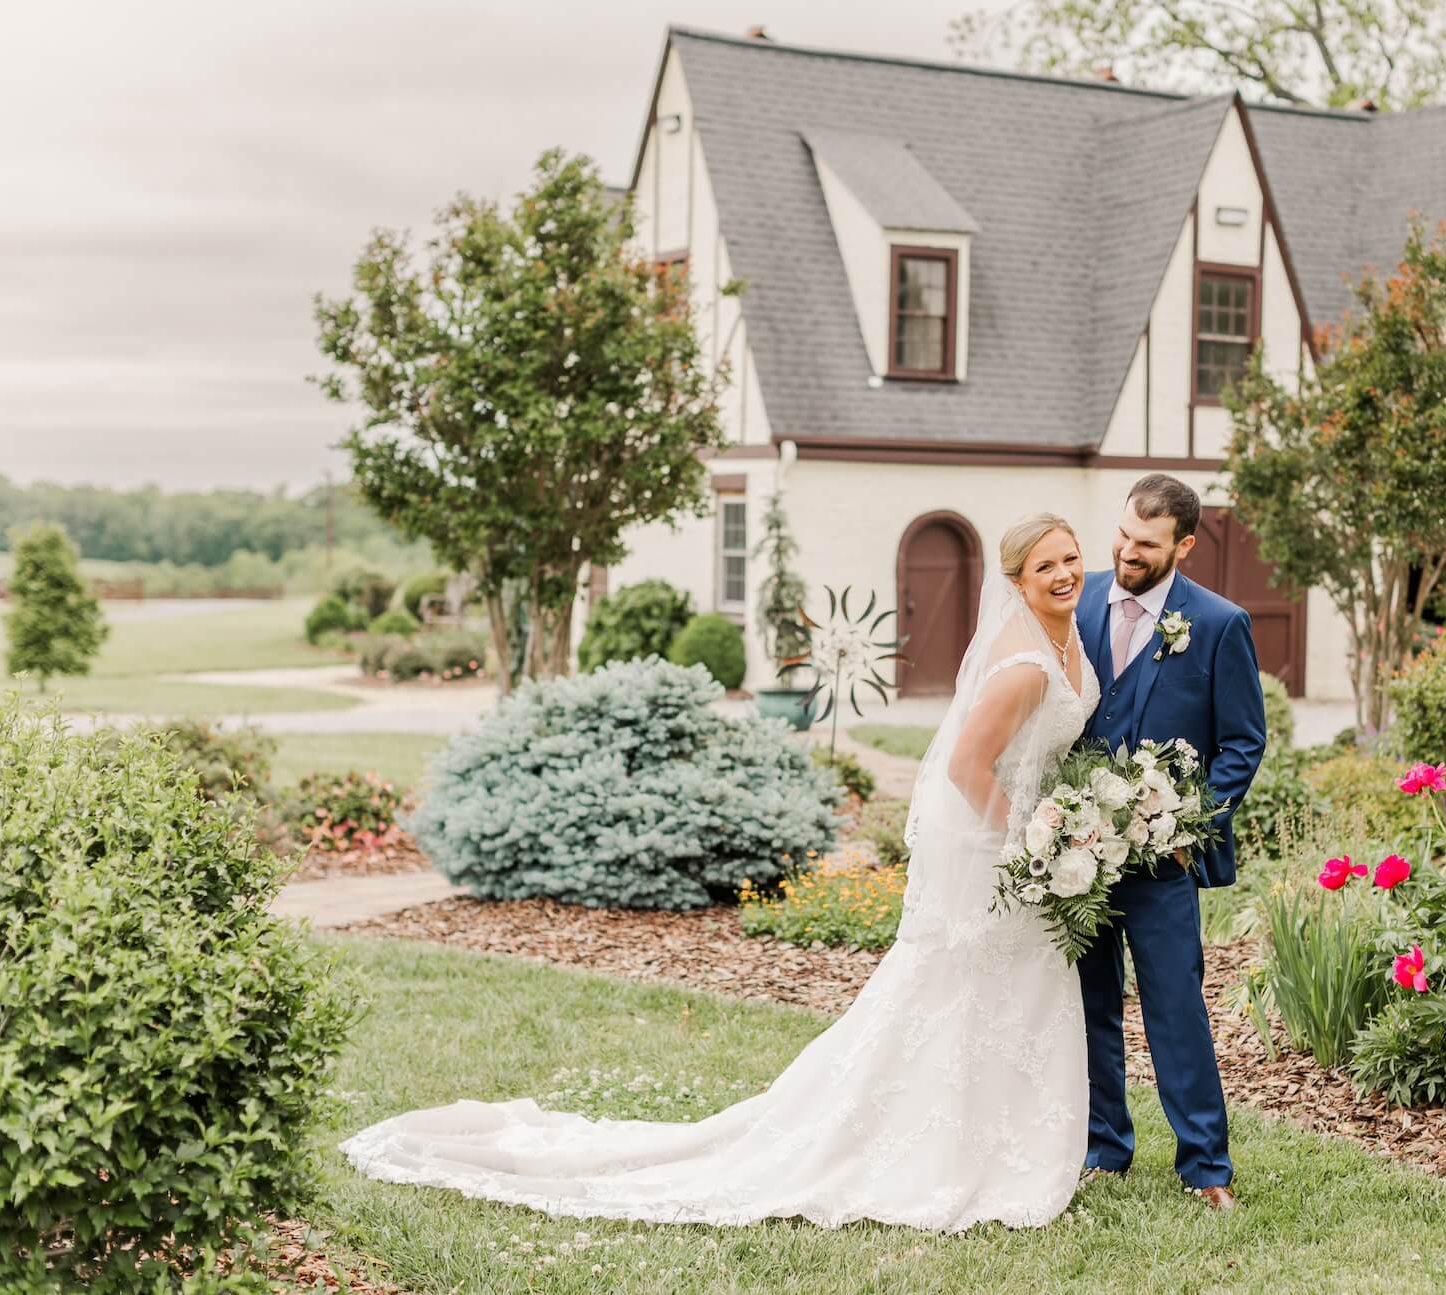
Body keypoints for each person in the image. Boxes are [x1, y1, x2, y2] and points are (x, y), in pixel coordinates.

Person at [339, 513, 1099, 1232]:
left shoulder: (1066, 640)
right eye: (1045, 565)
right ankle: (943, 1145)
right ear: (1018, 581)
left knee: (1001, 988)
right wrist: (1030, 845)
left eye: (1070, 557)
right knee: (958, 989)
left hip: (1027, 837)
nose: (1064, 572)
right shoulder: (1024, 666)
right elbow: (967, 765)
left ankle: (999, 1135)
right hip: (993, 843)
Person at [1073, 473, 1268, 1210]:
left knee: (1174, 1007)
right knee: (1091, 1003)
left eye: (1145, 544)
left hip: (1163, 858)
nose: (1126, 551)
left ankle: (1206, 1166)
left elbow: (1243, 743)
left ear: (1183, 546)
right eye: (1123, 534)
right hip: (1079, 853)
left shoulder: (1218, 624)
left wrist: (1190, 827)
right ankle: (1104, 1148)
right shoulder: (1082, 597)